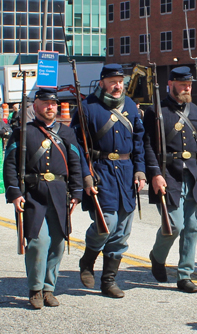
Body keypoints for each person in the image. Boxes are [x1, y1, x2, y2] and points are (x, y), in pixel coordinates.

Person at [71, 64, 146, 299]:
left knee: (122, 231)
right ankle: (88, 258)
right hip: (100, 171)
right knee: (107, 224)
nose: (117, 86)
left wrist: (140, 171)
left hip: (125, 173)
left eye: (120, 81)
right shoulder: (87, 108)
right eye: (112, 81)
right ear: (102, 82)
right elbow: (77, 147)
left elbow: (139, 142)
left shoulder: (131, 106)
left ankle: (108, 281)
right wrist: (85, 176)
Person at [3, 88, 83, 309]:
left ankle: (49, 289)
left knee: (57, 244)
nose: (51, 107)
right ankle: (35, 289)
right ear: (35, 106)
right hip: (33, 194)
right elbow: (10, 164)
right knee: (38, 243)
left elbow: (75, 163)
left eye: (54, 104)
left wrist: (77, 193)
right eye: (46, 103)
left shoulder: (66, 133)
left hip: (59, 193)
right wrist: (15, 193)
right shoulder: (22, 132)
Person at [143, 67, 197, 293]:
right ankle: (157, 256)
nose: (187, 88)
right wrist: (155, 174)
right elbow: (147, 145)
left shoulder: (196, 110)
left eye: (190, 85)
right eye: (183, 84)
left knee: (192, 227)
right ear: (171, 83)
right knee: (173, 226)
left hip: (194, 175)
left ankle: (185, 274)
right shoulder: (156, 110)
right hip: (168, 175)